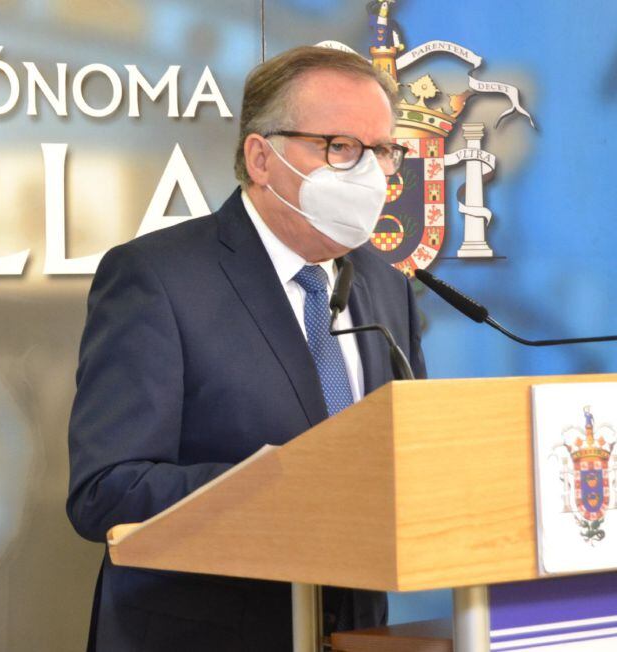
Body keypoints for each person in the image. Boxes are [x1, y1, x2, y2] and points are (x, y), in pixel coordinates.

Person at [66, 46, 427, 651]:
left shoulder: (387, 287)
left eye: (382, 151)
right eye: (340, 146)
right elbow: (107, 489)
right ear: (262, 157)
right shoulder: (158, 278)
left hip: (358, 630)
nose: (369, 173)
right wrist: (290, 489)